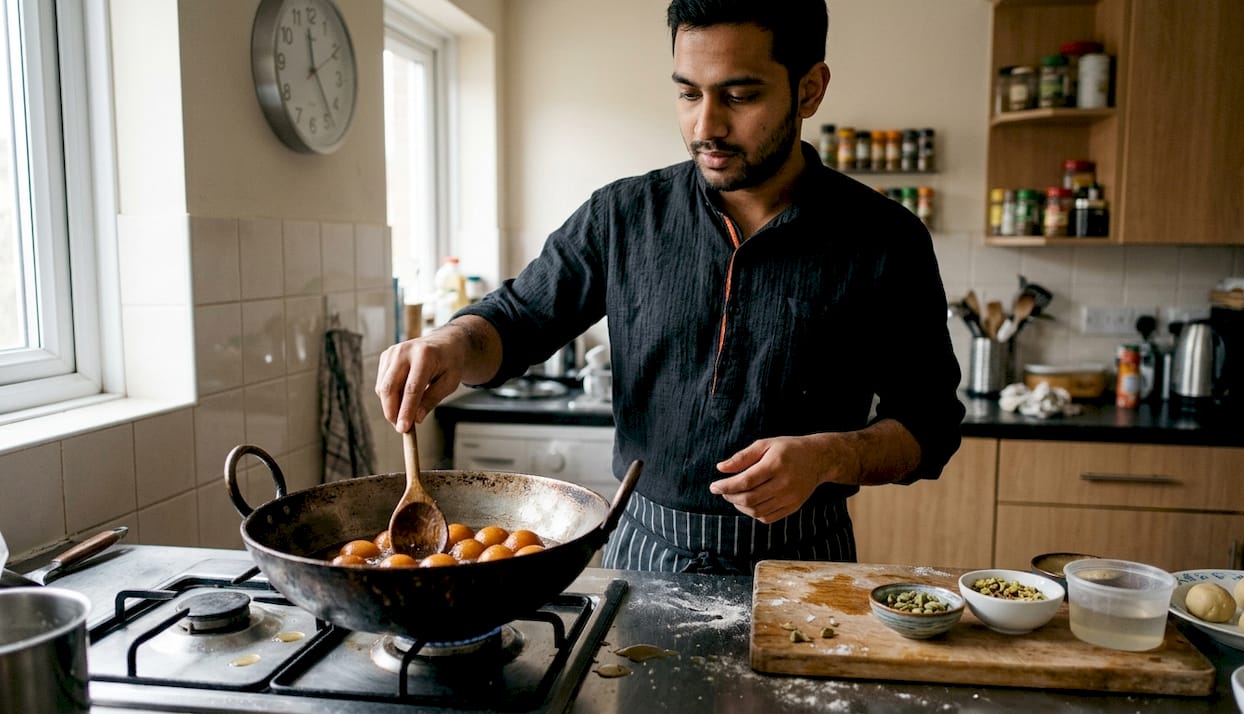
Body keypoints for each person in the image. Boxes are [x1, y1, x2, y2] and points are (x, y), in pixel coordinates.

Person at [376, 0, 964, 575]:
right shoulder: (623, 216)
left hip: (805, 561)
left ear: (809, 89)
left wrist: (833, 456)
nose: (705, 126)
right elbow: (516, 320)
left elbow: (929, 426)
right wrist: (451, 343)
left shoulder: (886, 239)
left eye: (739, 95)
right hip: (644, 552)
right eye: (688, 93)